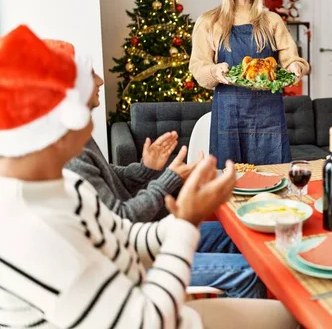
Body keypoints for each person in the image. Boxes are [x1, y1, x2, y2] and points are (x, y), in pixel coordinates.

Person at [0, 25, 298, 329]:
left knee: (287, 312)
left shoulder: (62, 185)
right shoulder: (32, 230)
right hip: (150, 315)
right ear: (62, 124)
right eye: (84, 109)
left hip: (145, 299)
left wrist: (185, 216)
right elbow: (144, 322)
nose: (91, 124)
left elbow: (125, 237)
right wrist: (185, 223)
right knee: (287, 316)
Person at [44, 41, 266, 299]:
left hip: (138, 237)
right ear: (72, 87)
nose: (101, 81)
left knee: (235, 234)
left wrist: (146, 168)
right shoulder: (67, 154)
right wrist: (171, 182)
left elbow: (109, 174)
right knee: (248, 272)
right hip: (127, 258)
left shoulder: (77, 134)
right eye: (92, 73)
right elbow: (122, 219)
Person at [189, 0, 310, 168]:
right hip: (229, 115)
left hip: (269, 116)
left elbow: (291, 59)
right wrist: (214, 71)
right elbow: (198, 67)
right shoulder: (209, 21)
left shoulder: (271, 20)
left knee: (274, 178)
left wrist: (295, 67)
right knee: (230, 182)